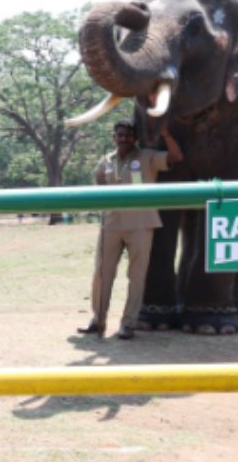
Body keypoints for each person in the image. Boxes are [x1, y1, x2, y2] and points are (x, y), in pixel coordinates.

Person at [78, 120, 182, 340]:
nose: (123, 138)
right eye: (119, 135)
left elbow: (176, 157)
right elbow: (98, 183)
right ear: (113, 137)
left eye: (127, 135)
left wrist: (167, 135)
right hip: (111, 224)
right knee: (102, 274)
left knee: (137, 276)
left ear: (135, 138)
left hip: (141, 224)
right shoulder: (106, 160)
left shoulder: (148, 157)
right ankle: (98, 320)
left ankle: (128, 323)